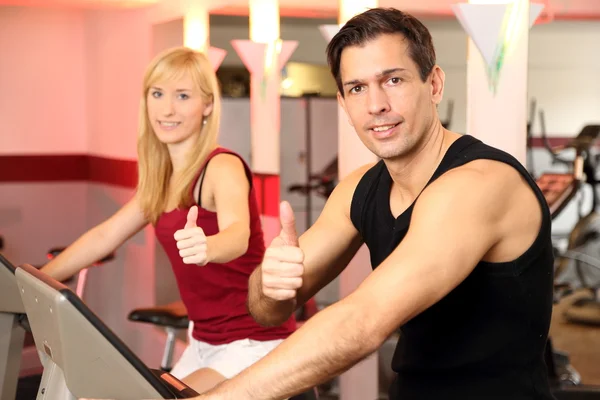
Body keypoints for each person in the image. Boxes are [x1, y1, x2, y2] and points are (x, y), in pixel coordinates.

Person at [189, 7, 557, 400]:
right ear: (344, 104)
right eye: (357, 88)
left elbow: (362, 322)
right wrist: (270, 281)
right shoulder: (359, 189)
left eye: (393, 80)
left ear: (433, 84)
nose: (376, 105)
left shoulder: (479, 184)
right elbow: (267, 312)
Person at [40, 46, 296, 394]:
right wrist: (35, 279)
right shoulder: (161, 179)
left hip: (251, 341)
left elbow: (238, 234)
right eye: (157, 94)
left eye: (183, 96)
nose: (167, 108)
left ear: (207, 105)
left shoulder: (221, 166)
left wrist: (208, 246)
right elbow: (105, 236)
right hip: (203, 340)